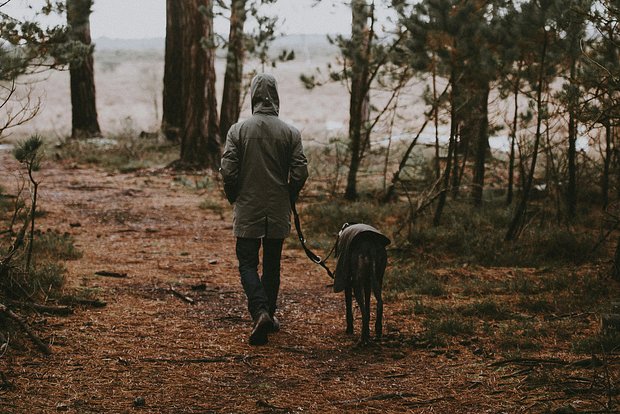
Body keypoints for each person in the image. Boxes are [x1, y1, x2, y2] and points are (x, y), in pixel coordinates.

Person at [220, 73, 308, 346]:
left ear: (254, 98)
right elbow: (301, 170)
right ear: (276, 98)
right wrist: (289, 194)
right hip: (278, 209)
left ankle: (259, 312)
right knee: (272, 264)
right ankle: (267, 314)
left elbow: (228, 171)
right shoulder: (290, 132)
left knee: (247, 263)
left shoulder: (238, 131)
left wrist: (234, 196)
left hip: (248, 207)